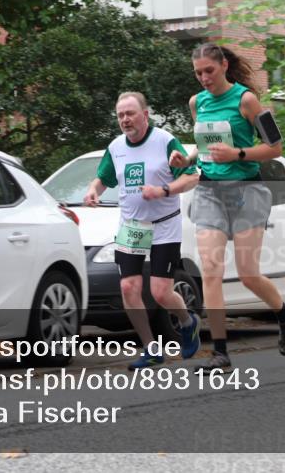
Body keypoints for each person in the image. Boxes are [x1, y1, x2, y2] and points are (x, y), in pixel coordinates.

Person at [169, 43, 285, 372]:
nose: (203, 79)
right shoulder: (196, 103)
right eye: (198, 73)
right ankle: (221, 353)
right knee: (210, 272)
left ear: (224, 65)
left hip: (247, 191)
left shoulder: (247, 101)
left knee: (248, 273)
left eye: (209, 71)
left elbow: (276, 147)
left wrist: (238, 154)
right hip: (210, 191)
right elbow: (207, 146)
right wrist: (188, 159)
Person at [85, 92, 201, 369]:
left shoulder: (164, 141)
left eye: (130, 113)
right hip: (132, 226)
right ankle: (151, 348)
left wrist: (164, 190)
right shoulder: (116, 147)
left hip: (164, 224)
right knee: (128, 287)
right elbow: (102, 179)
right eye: (120, 115)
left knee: (161, 292)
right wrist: (93, 191)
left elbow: (192, 176)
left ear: (145, 115)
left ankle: (188, 322)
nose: (125, 119)